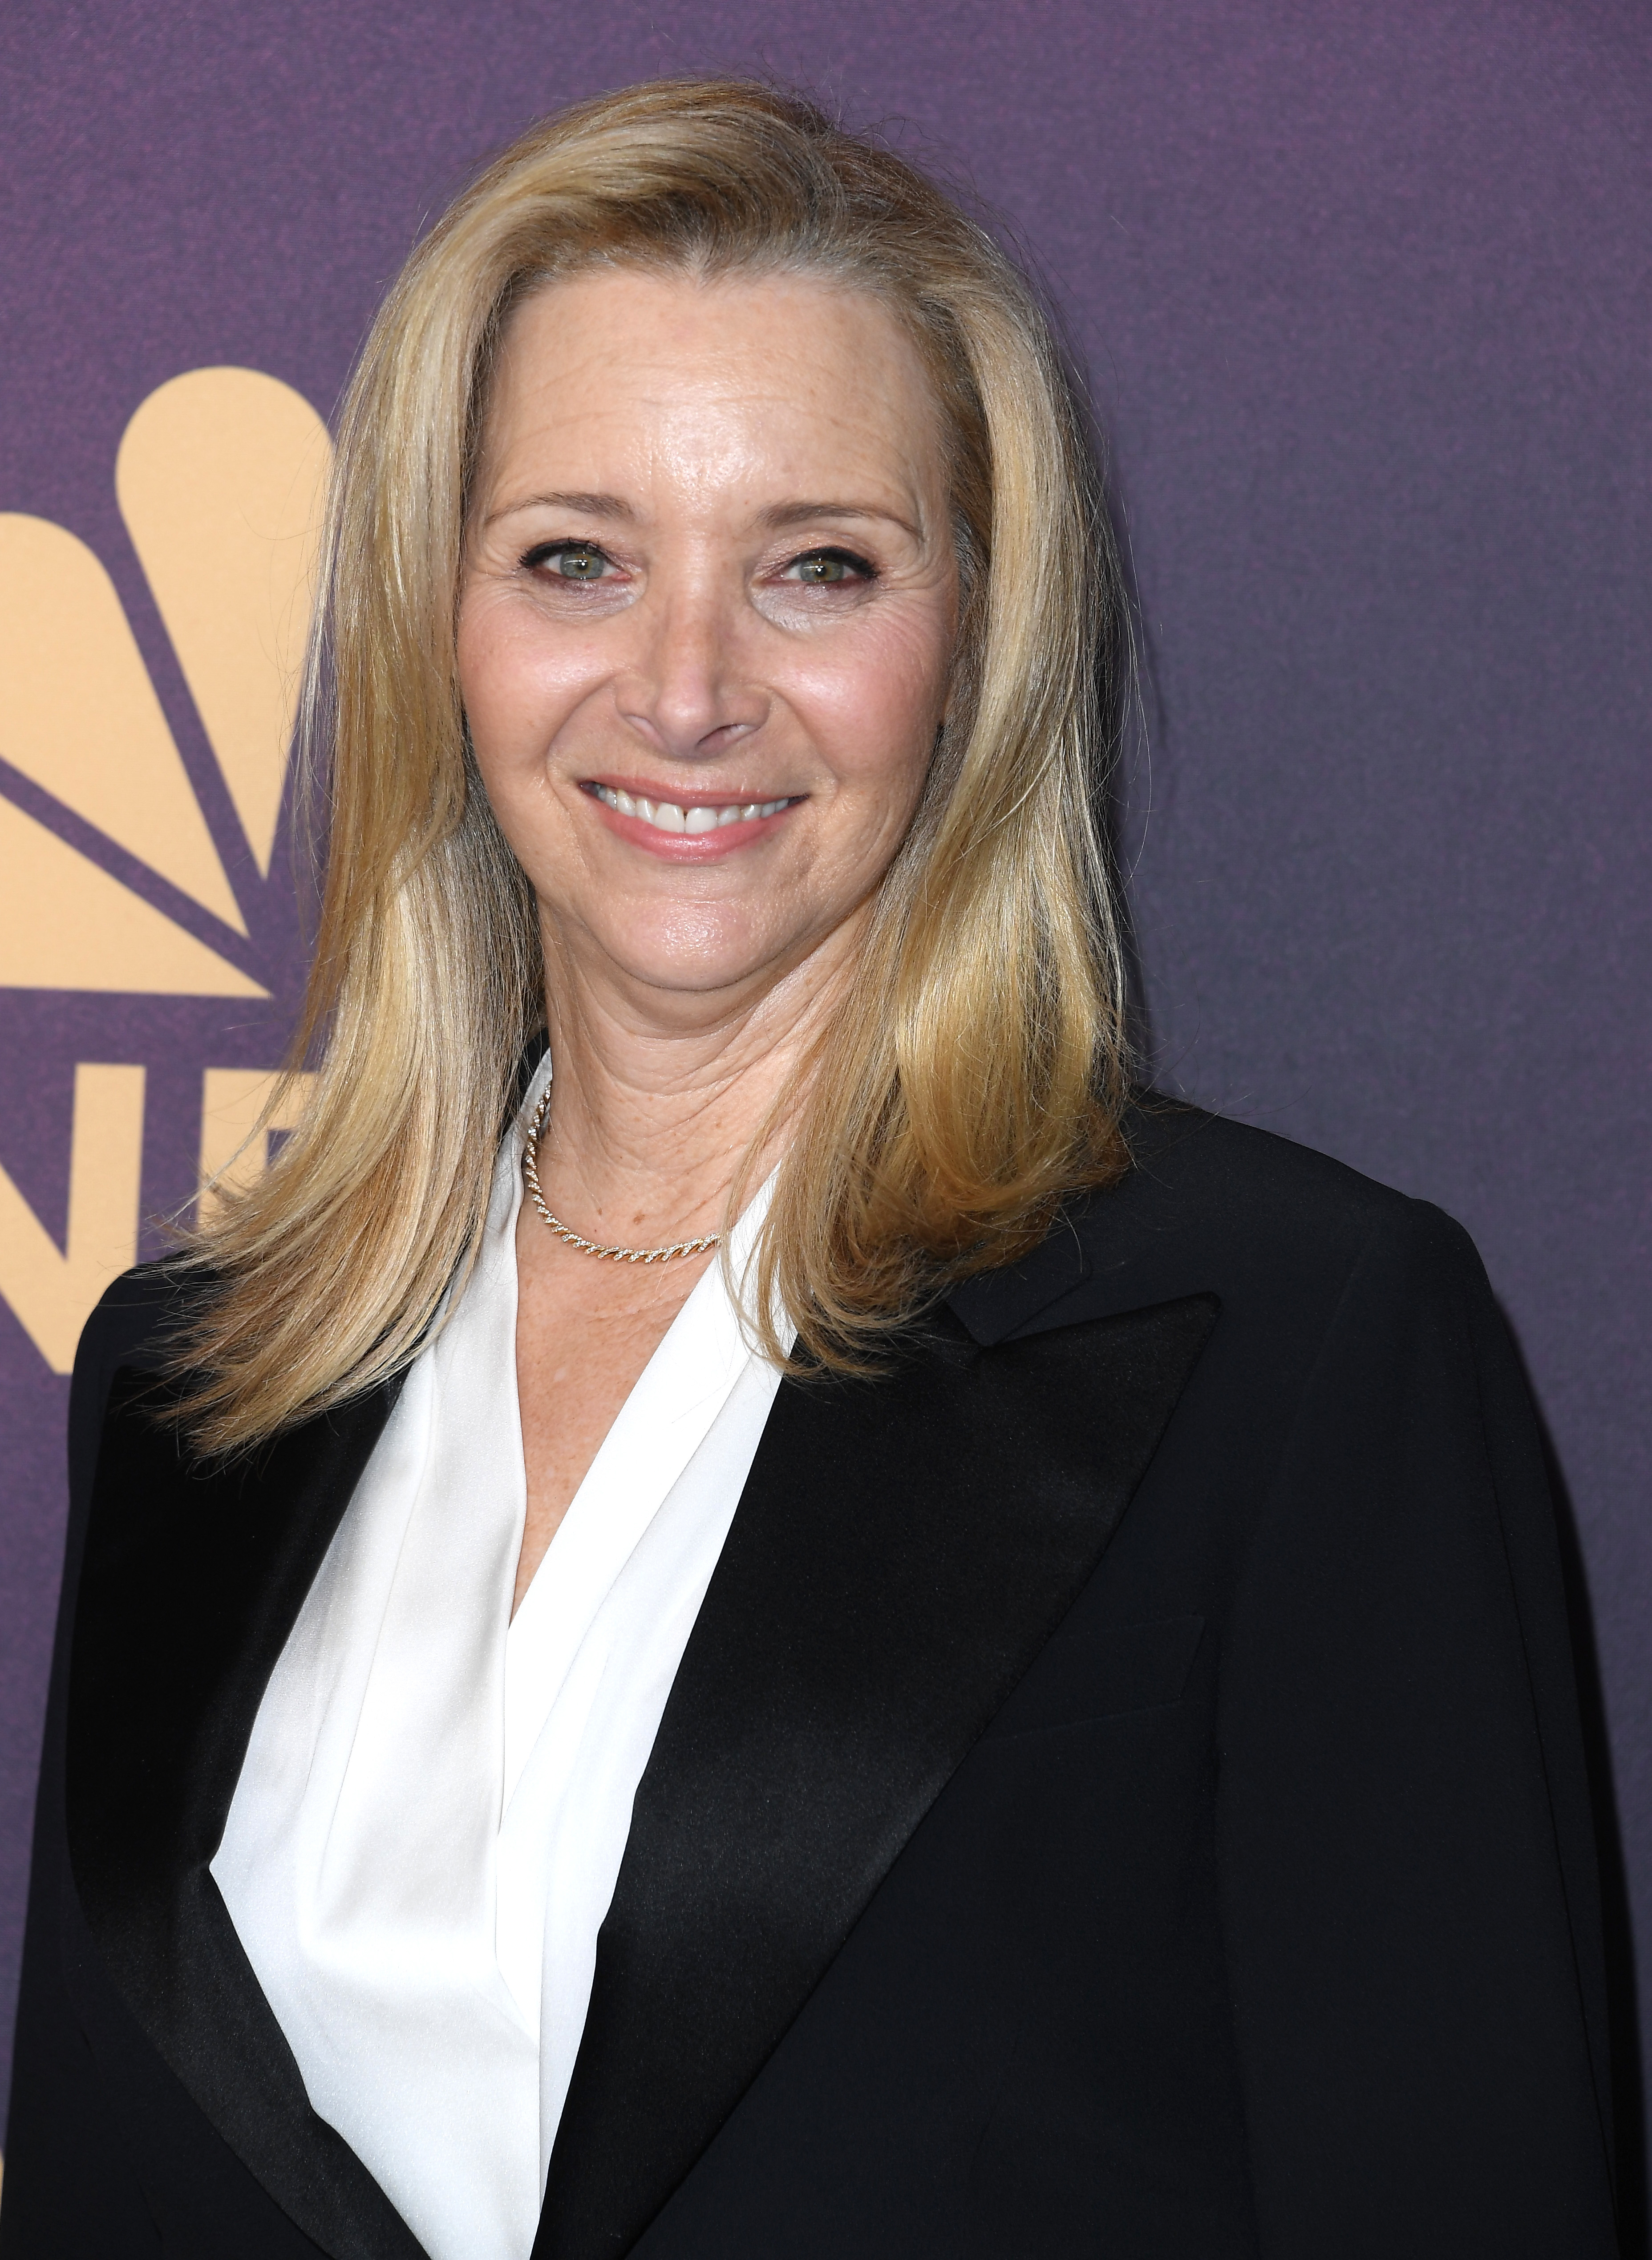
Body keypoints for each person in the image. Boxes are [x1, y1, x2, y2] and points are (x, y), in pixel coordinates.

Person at [0, 76, 1620, 2260]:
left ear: (969, 646)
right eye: (575, 555)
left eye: (816, 569)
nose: (685, 687)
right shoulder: (193, 1370)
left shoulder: (1299, 1348)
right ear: (436, 628)